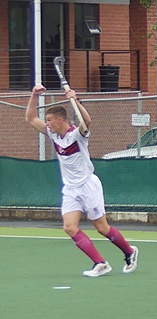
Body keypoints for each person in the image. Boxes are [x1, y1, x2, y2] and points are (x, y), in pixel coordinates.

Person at [24, 85, 139, 277]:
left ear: (60, 120)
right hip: (70, 189)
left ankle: (129, 251)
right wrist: (34, 95)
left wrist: (75, 100)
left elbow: (87, 120)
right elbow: (30, 118)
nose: (48, 124)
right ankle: (100, 263)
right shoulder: (53, 134)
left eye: (50, 120)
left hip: (88, 185)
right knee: (69, 227)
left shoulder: (78, 135)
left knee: (102, 227)